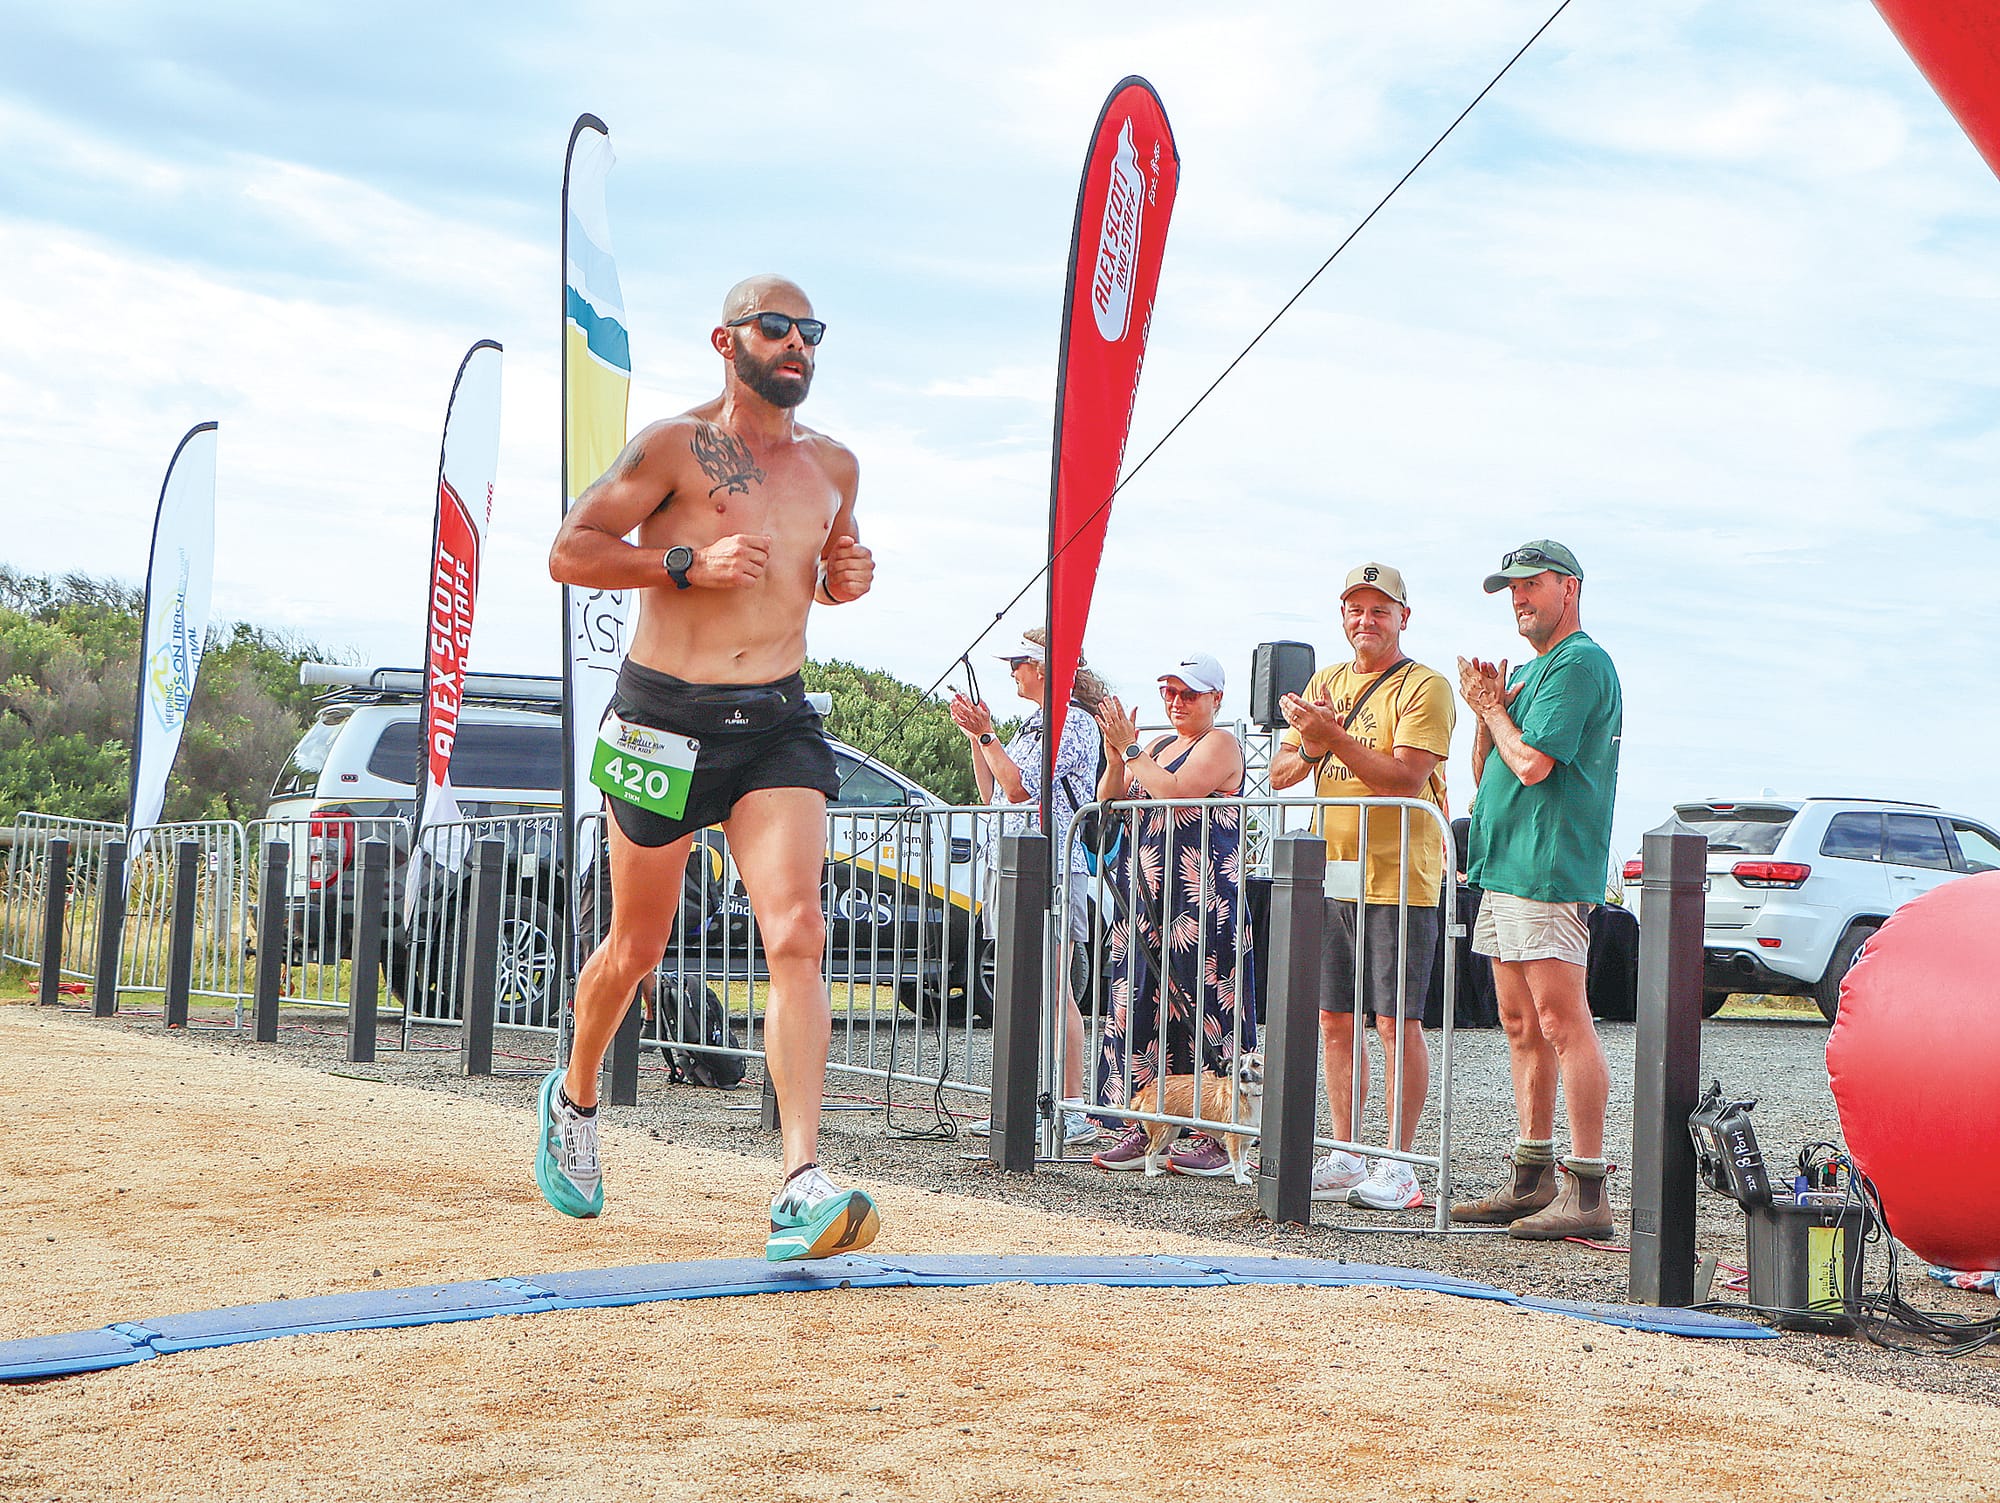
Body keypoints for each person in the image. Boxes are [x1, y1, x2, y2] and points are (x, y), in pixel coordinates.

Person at [543, 274, 881, 1263]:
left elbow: (834, 562)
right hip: (662, 717)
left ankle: (798, 1180)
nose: (795, 345)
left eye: (809, 331)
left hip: (773, 723)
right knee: (635, 948)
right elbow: (571, 550)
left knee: (797, 929)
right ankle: (573, 1096)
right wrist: (681, 565)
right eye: (775, 328)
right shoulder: (671, 446)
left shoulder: (835, 467)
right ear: (724, 340)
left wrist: (846, 578)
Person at [1270, 565, 1455, 1211]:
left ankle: (1400, 1162)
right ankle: (1347, 1152)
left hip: (1400, 875)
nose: (1366, 621)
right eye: (1355, 609)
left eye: (1380, 610)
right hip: (1336, 871)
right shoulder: (1326, 682)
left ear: (1405, 615)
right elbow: (1282, 770)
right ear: (1341, 616)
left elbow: (1404, 777)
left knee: (1395, 1021)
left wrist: (1332, 736)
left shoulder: (1424, 685)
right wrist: (1321, 742)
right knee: (1334, 1018)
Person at [1454, 539, 1623, 1241]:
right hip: (1506, 868)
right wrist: (1482, 711)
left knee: (1561, 1021)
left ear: (1570, 588)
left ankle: (1587, 1186)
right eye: (1512, 588)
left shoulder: (1581, 662)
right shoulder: (1530, 670)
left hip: (1547, 868)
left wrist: (1494, 709)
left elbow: (1531, 766)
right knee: (1522, 1024)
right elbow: (1484, 768)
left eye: (1532, 584)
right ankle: (1532, 1175)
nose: (1519, 597)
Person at [1088, 652, 1254, 1178]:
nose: (1176, 703)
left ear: (1216, 699)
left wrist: (1132, 748)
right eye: (1170, 693)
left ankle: (1218, 1129)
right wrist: (1118, 755)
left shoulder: (1222, 743)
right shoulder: (1156, 746)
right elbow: (1107, 800)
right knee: (1137, 1004)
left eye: (1189, 694)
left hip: (1203, 897)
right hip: (1146, 899)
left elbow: (1177, 791)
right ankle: (1145, 1122)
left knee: (1210, 1005)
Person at [947, 628, 1106, 1147]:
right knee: (1022, 987)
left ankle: (1072, 1105)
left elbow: (1020, 790)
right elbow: (991, 789)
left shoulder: (1074, 723)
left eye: (1019, 661)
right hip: (1014, 863)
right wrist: (978, 738)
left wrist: (989, 735)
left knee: (1055, 989)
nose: (1012, 670)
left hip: (1049, 866)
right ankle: (1022, 1101)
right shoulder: (1034, 723)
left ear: (1044, 668)